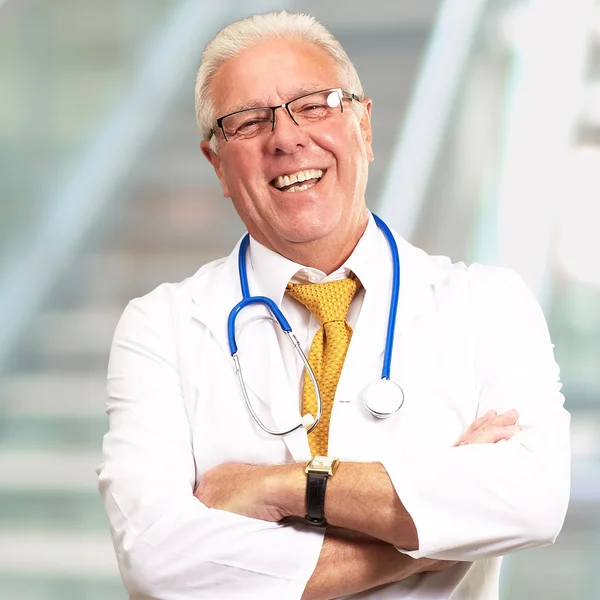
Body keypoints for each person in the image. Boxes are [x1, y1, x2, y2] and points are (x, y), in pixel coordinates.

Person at [97, 10, 570, 600]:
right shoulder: (160, 326)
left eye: (314, 105)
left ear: (363, 127)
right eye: (247, 122)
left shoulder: (487, 304)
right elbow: (156, 559)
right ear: (217, 163)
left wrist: (284, 486)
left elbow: (530, 500)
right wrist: (432, 538)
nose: (287, 138)